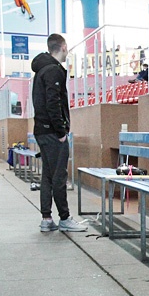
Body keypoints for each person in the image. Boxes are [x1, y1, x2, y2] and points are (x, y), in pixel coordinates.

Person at [31, 33, 87, 232]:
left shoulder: (40, 70)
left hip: (41, 129)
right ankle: (64, 217)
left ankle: (46, 218)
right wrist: (61, 131)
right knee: (58, 176)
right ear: (63, 47)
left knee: (47, 175)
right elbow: (53, 102)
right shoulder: (54, 71)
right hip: (52, 132)